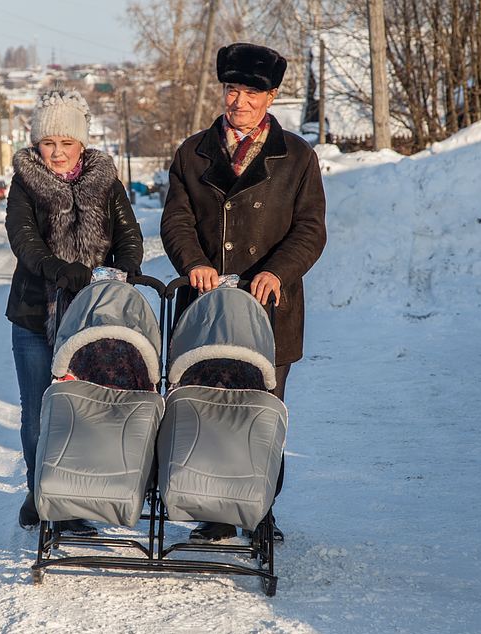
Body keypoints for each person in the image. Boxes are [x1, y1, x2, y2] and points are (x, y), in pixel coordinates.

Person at [160, 42, 327, 543]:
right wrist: (194, 264)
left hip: (270, 309)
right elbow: (177, 219)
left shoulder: (297, 156)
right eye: (233, 90)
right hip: (206, 307)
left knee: (262, 411)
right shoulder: (193, 152)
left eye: (252, 93)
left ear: (271, 96)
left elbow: (310, 229)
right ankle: (214, 512)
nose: (240, 101)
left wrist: (278, 271)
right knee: (209, 405)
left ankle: (259, 511)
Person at [6, 89, 144, 535]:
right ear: (37, 144)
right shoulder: (25, 181)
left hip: (94, 315)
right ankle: (44, 497)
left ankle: (78, 493)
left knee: (85, 409)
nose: (58, 153)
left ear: (82, 143)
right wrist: (62, 271)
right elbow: (24, 240)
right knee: (39, 412)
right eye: (49, 143)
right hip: (34, 315)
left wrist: (123, 273)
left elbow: (129, 236)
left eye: (67, 142)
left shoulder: (105, 181)